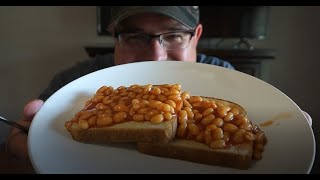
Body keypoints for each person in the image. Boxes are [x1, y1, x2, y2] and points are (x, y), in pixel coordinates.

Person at [4, 6, 312, 172]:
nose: (156, 55)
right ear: (115, 37)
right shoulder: (78, 79)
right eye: (136, 37)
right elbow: (20, 137)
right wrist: (25, 143)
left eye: (175, 35)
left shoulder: (225, 77)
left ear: (197, 35)